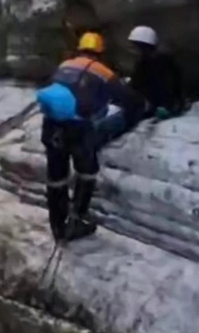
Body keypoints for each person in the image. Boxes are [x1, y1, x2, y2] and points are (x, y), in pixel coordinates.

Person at [36, 32, 144, 242]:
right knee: (86, 173)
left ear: (80, 49)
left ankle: (58, 227)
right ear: (100, 52)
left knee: (56, 178)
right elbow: (127, 98)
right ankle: (75, 222)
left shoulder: (65, 65)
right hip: (77, 129)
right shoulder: (102, 71)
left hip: (50, 126)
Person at [127, 26, 185, 118]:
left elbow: (169, 85)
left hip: (164, 104)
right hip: (151, 103)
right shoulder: (143, 62)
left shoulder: (162, 62)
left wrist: (167, 105)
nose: (135, 50)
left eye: (137, 46)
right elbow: (135, 83)